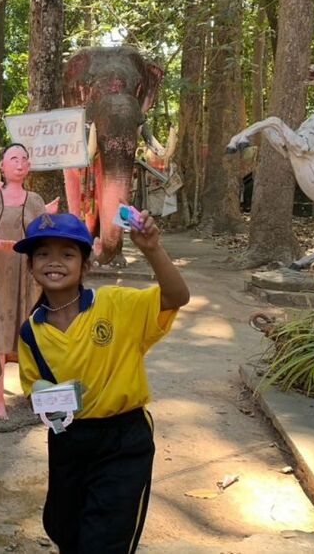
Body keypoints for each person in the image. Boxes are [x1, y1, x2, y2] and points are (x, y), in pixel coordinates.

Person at [14, 212, 189, 553]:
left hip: (123, 440)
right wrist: (44, 400)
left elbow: (176, 296)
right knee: (63, 527)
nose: (54, 262)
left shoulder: (115, 304)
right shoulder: (31, 331)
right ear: (31, 266)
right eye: (43, 254)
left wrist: (152, 249)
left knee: (105, 539)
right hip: (68, 440)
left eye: (67, 254)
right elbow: (33, 388)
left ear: (85, 264)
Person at [0, 143, 49, 420]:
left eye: (25, 158)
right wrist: (4, 245)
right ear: (1, 166)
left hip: (30, 277)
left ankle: (37, 394)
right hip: (0, 278)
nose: (20, 163)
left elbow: (46, 237)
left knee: (33, 334)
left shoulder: (36, 200)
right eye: (14, 158)